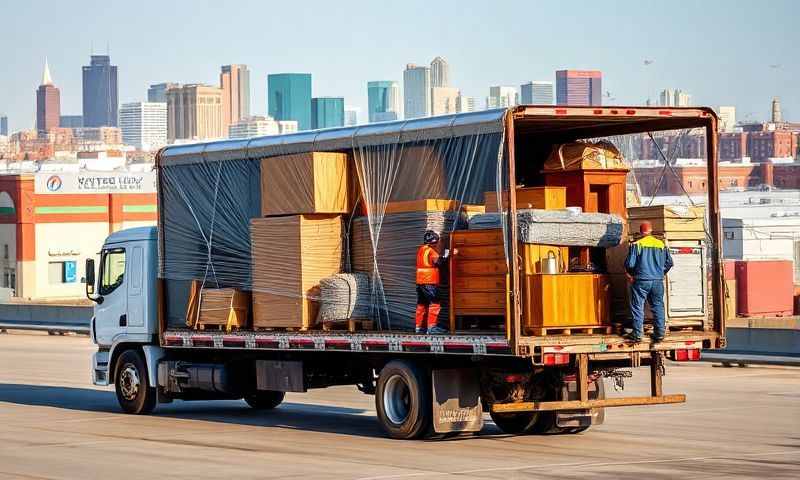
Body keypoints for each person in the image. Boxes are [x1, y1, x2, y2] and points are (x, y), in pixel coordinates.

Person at [623, 221, 673, 343]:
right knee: (658, 306)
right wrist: (661, 273)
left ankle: (638, 334)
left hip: (641, 281)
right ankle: (660, 333)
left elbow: (630, 264)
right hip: (657, 281)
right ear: (651, 231)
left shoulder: (637, 244)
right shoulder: (661, 244)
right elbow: (669, 263)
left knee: (637, 306)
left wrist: (630, 273)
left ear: (641, 232)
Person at [415, 230, 450, 334]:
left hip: (420, 281)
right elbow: (438, 262)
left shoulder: (421, 250)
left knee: (422, 304)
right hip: (429, 281)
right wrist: (446, 255)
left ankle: (419, 328)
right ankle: (432, 328)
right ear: (434, 241)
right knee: (435, 303)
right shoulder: (431, 251)